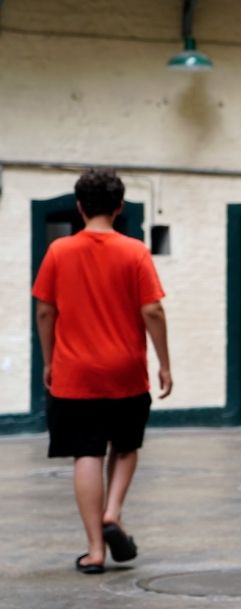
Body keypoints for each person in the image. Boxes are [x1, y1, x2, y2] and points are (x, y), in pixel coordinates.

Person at [31, 168, 173, 575]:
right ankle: (113, 512)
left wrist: (49, 360)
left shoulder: (59, 251)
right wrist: (164, 362)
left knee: (86, 453)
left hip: (75, 371)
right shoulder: (134, 252)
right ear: (119, 207)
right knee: (125, 446)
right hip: (125, 369)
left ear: (79, 206)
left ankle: (94, 550)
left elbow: (45, 310)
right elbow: (152, 309)